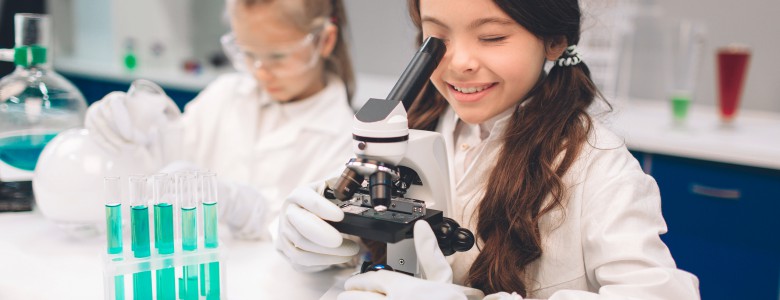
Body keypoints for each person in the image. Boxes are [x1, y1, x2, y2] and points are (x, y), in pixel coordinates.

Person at [275, 0, 702, 299]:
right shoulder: (413, 126)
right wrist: (321, 244)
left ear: (553, 40)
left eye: (493, 37)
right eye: (438, 36)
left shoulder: (597, 166)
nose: (460, 61)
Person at [85, 0, 356, 239]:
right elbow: (163, 162)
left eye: (277, 57)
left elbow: (325, 244)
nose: (261, 73)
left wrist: (242, 208)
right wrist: (129, 133)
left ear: (325, 41)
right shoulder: (224, 95)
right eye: (248, 54)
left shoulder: (344, 138)